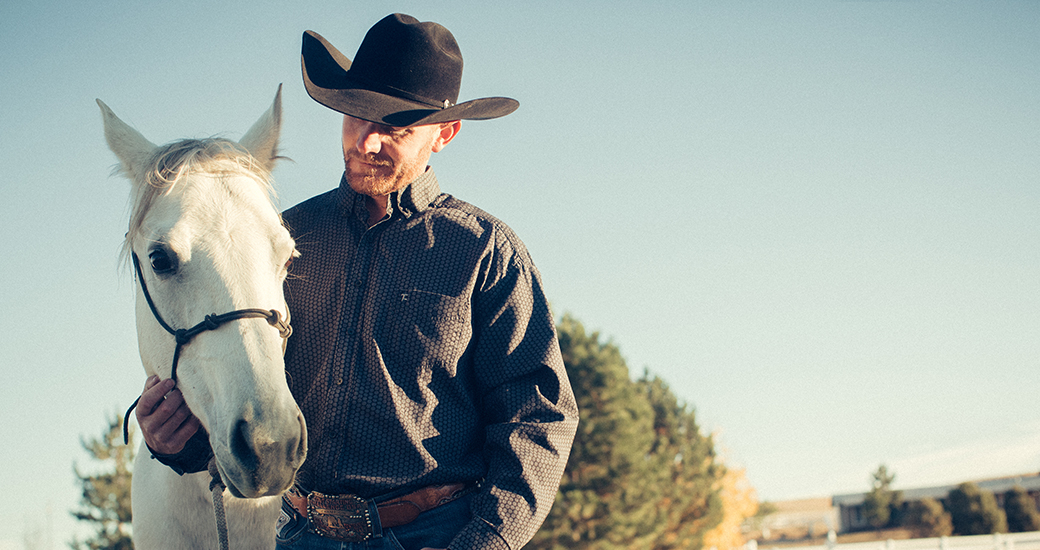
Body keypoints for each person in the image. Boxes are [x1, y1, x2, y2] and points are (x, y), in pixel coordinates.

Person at [135, 13, 579, 550]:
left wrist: (485, 542)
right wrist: (176, 444)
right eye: (356, 116)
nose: (366, 142)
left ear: (445, 133)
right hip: (301, 534)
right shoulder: (282, 240)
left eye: (394, 127)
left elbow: (538, 418)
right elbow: (247, 393)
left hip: (435, 536)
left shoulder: (484, 251)